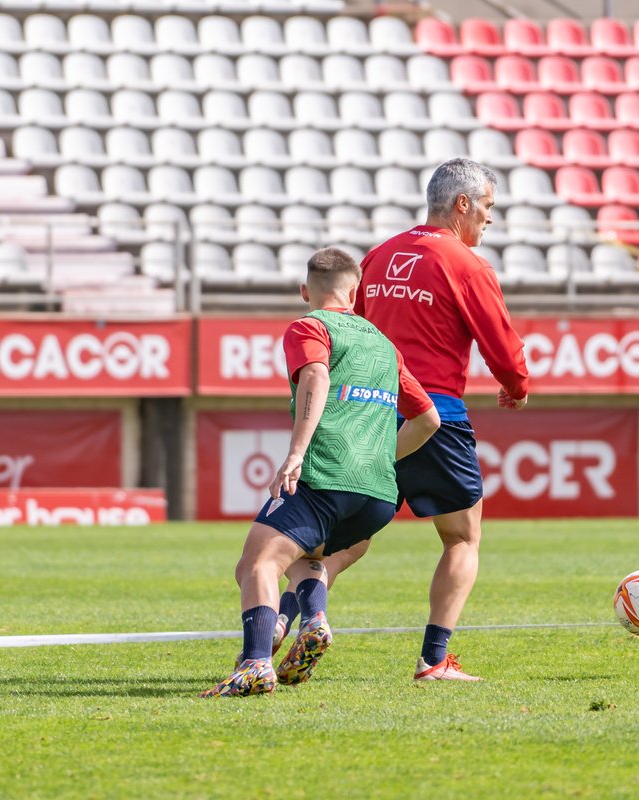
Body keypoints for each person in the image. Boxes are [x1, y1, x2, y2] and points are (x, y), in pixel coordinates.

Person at [276, 158, 531, 682]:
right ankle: (434, 659)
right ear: (462, 204)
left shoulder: (380, 255)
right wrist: (516, 387)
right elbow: (502, 347)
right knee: (461, 538)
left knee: (351, 535)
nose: (489, 219)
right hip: (431, 412)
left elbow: (352, 331)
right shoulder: (466, 264)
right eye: (487, 207)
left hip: (367, 411)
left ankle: (288, 615)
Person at [201, 247, 439, 698]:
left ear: (305, 291)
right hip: (378, 496)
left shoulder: (309, 325)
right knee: (307, 558)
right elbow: (428, 418)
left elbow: (315, 377)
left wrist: (296, 452)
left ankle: (255, 665)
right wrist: (382, 458)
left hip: (324, 474)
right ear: (356, 291)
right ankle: (312, 618)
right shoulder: (384, 345)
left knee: (256, 563)